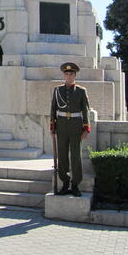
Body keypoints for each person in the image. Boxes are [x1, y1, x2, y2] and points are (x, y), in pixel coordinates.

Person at [50, 62, 91, 197]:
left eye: (71, 74)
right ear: (64, 75)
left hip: (75, 126)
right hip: (61, 126)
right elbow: (53, 110)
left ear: (75, 75)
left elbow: (85, 110)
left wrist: (86, 128)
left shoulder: (81, 91)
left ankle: (75, 185)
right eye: (66, 74)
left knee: (75, 156)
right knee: (62, 156)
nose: (68, 76)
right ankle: (65, 183)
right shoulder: (57, 90)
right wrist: (52, 127)